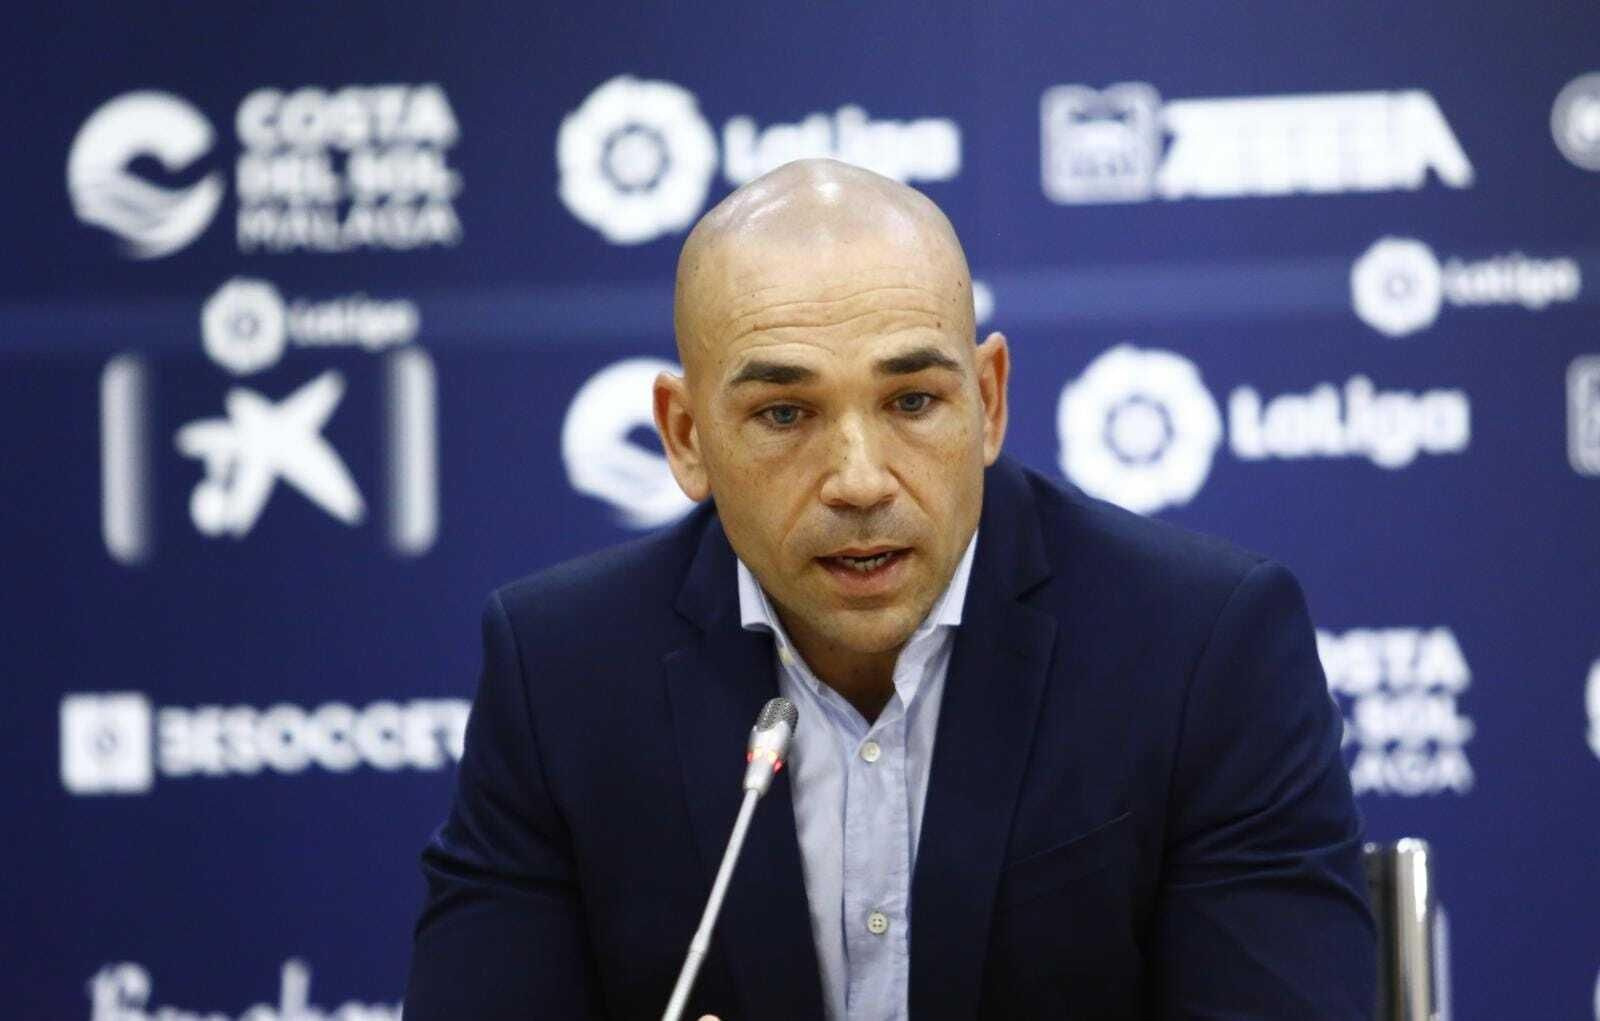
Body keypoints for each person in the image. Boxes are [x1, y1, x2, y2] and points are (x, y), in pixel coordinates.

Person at [403, 159, 1375, 1020]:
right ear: (686, 437)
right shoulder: (561, 673)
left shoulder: (1201, 648)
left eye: (912, 401)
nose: (860, 479)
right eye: (784, 412)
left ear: (987, 401)